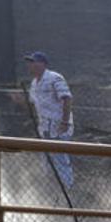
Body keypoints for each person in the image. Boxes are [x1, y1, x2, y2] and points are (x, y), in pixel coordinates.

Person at [25, 51, 74, 189]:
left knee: (60, 159)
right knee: (47, 160)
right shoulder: (34, 83)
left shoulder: (55, 78)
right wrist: (18, 99)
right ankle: (51, 188)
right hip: (45, 127)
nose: (31, 66)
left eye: (34, 62)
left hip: (58, 126)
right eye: (30, 63)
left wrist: (64, 122)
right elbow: (31, 104)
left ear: (43, 64)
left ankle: (66, 188)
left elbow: (67, 98)